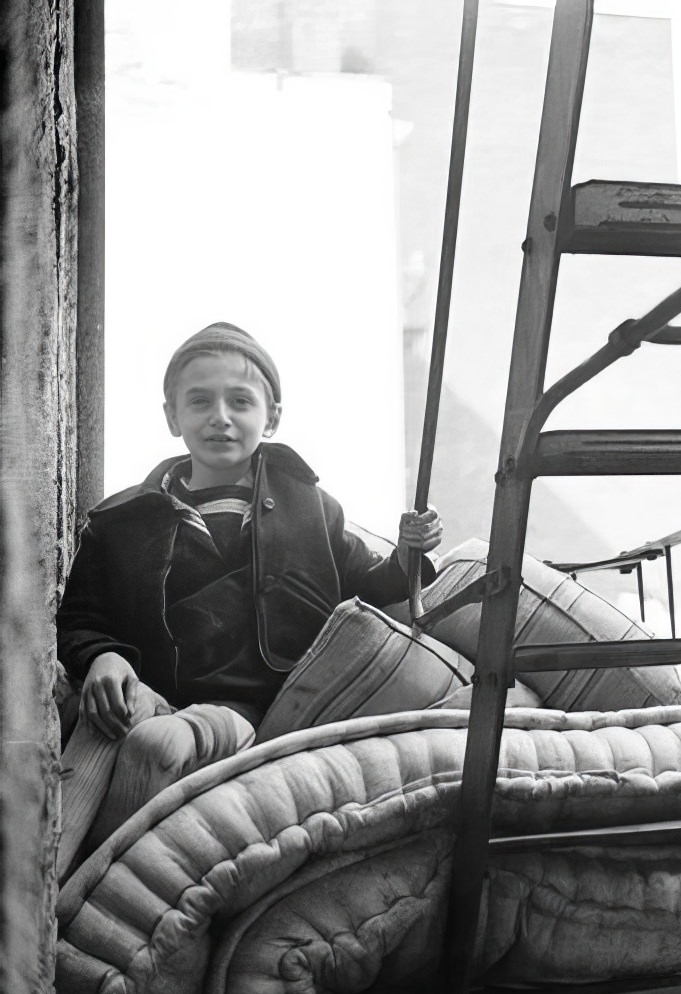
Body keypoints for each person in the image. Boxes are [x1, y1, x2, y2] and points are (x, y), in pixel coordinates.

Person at [56, 321, 442, 863]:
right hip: (149, 688)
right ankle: (38, 896)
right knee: (103, 720)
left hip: (246, 711)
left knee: (160, 745)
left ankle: (90, 885)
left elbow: (375, 586)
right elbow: (80, 618)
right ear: (172, 416)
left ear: (272, 415)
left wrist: (409, 551)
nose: (220, 416)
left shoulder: (313, 509)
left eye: (240, 400)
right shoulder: (121, 522)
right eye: (199, 401)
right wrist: (103, 656)